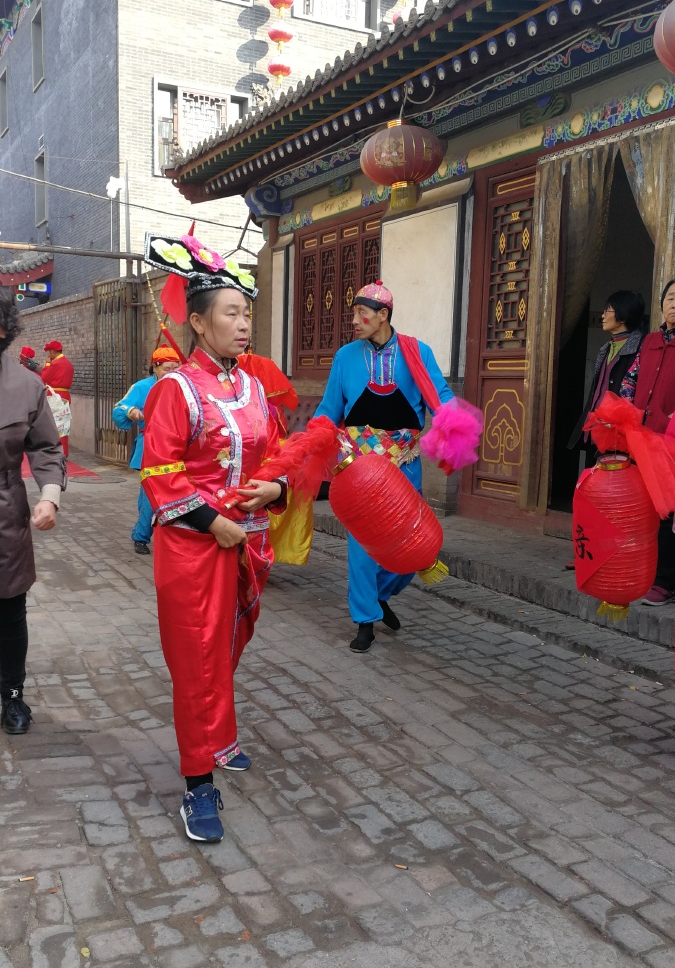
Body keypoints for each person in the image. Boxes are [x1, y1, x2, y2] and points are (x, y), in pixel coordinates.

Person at [140, 235, 286, 843]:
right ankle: (198, 783)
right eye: (231, 313)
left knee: (227, 645)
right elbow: (160, 472)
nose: (244, 324)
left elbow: (278, 454)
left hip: (246, 541)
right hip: (195, 547)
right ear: (199, 323)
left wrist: (276, 489)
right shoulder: (176, 390)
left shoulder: (252, 388)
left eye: (247, 313)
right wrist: (213, 522)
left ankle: (220, 739)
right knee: (197, 662)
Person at [315, 280, 453, 653]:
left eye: (362, 315)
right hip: (359, 467)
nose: (355, 321)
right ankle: (364, 621)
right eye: (354, 314)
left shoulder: (417, 353)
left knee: (413, 546)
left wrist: (452, 422)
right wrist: (317, 435)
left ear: (383, 316)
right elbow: (330, 408)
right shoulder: (345, 357)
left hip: (405, 464)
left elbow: (440, 396)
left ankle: (378, 597)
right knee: (362, 548)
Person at [0, 291, 66, 736]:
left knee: (9, 610)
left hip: (4, 514)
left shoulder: (26, 385)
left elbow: (45, 447)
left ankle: (11, 694)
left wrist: (49, 495)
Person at [620, 278, 675, 605]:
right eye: (670, 297)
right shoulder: (650, 341)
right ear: (661, 304)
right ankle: (648, 571)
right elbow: (631, 378)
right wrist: (627, 408)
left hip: (673, 443)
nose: (674, 304)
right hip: (644, 438)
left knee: (670, 511)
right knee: (646, 507)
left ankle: (666, 581)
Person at [111, 345, 181, 555]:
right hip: (150, 447)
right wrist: (132, 411)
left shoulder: (182, 386)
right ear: (155, 368)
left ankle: (173, 538)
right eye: (167, 368)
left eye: (175, 368)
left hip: (177, 448)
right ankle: (141, 536)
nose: (172, 372)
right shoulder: (142, 387)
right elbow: (119, 407)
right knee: (150, 496)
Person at [568, 291, 645, 458]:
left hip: (617, 434)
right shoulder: (606, 348)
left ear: (623, 316)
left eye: (607, 311)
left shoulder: (640, 349)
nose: (603, 316)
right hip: (596, 429)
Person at [41, 340, 74, 456]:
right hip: (65, 396)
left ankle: (55, 452)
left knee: (52, 426)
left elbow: (44, 377)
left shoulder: (55, 363)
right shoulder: (68, 363)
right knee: (63, 426)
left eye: (49, 352)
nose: (49, 355)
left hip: (54, 397)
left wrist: (47, 364)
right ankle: (64, 452)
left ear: (53, 352)